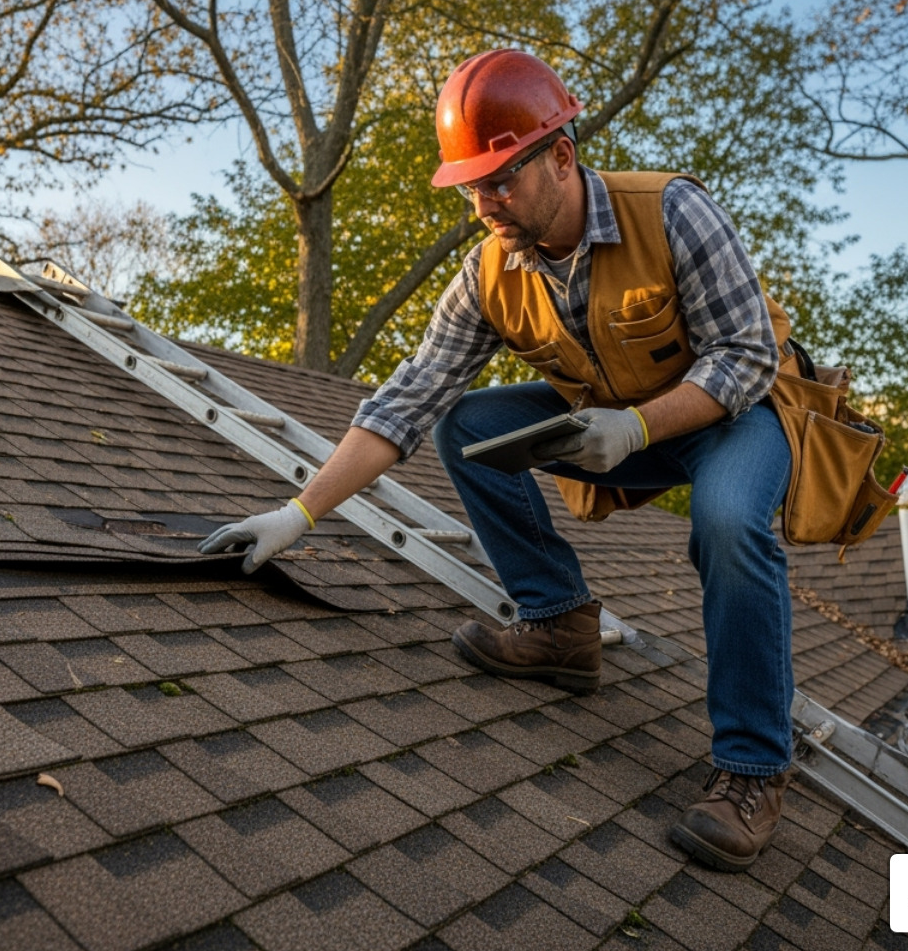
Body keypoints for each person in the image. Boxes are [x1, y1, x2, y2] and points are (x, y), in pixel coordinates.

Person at [200, 49, 794, 872]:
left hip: (734, 418)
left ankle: (753, 769)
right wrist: (299, 512)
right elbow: (408, 399)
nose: (484, 206)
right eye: (470, 188)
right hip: (613, 423)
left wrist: (635, 428)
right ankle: (559, 625)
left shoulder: (672, 212)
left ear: (561, 156)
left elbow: (747, 357)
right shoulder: (489, 271)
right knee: (466, 424)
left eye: (500, 181)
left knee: (726, 522)